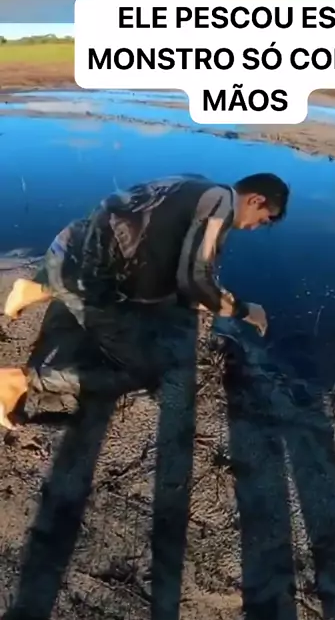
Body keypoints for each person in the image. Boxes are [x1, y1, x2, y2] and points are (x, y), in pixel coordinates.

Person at [0, 172, 289, 430]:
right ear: (256, 199)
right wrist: (244, 310)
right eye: (263, 220)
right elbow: (196, 280)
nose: (254, 228)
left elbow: (168, 261)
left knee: (130, 318)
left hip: (69, 247)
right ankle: (17, 382)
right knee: (137, 371)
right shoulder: (220, 206)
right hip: (89, 278)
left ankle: (41, 288)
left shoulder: (196, 183)